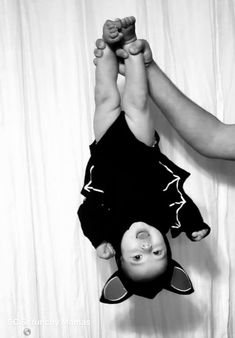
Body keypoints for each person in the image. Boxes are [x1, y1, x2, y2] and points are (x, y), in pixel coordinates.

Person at [78, 17, 210, 303]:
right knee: (137, 101)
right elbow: (181, 203)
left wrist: (98, 240)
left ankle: (108, 51)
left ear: (119, 257)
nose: (146, 245)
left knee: (104, 98)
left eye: (137, 256)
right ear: (168, 248)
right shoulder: (161, 219)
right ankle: (131, 48)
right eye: (158, 252)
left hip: (106, 148)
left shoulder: (109, 228)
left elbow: (87, 210)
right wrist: (193, 225)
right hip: (141, 147)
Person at [94, 39, 235, 161]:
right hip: (123, 170)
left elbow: (214, 138)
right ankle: (115, 48)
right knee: (122, 103)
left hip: (120, 172)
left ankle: (115, 49)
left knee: (123, 104)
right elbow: (213, 138)